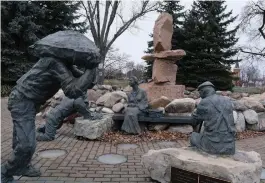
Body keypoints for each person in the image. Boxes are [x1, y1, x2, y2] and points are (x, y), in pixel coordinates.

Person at [1, 54, 100, 182]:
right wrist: (90, 67)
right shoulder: (54, 62)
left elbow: (89, 83)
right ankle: (5, 172)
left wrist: (92, 67)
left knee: (21, 139)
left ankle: (23, 166)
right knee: (27, 145)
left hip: (31, 103)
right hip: (22, 100)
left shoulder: (66, 64)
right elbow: (73, 90)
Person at [190, 81, 236, 155]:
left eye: (200, 93)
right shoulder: (227, 100)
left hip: (213, 144)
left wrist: (195, 112)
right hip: (230, 145)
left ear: (203, 91)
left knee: (193, 136)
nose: (200, 95)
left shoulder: (204, 102)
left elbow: (194, 121)